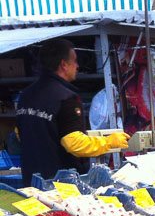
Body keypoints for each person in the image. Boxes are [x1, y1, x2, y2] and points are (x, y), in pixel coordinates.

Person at [16, 39, 129, 186]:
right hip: (60, 186)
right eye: (74, 61)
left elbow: (19, 133)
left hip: (31, 182)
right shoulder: (66, 98)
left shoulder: (25, 95)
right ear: (64, 64)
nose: (77, 66)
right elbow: (73, 143)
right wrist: (110, 142)